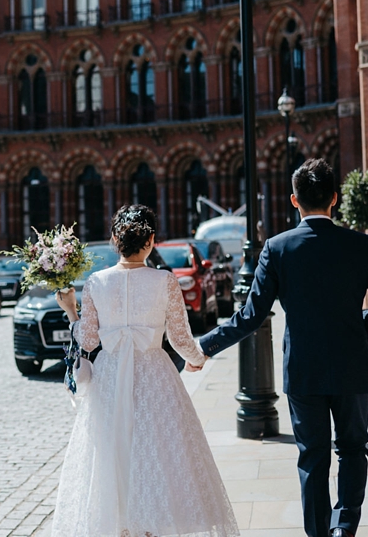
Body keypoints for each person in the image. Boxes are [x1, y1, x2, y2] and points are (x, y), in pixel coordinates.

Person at [197, 158, 368, 537]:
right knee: (353, 449)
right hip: (351, 366)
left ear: (295, 200)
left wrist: (206, 346)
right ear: (335, 199)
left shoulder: (277, 248)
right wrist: (357, 327)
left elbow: (250, 316)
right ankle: (344, 527)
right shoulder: (360, 245)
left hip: (304, 369)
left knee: (312, 457)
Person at [51, 205, 238, 537]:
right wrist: (197, 358)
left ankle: (121, 527)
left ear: (113, 240)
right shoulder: (165, 281)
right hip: (154, 375)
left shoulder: (96, 282)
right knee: (157, 457)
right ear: (152, 241)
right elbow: (179, 336)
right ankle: (149, 528)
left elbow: (89, 339)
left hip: (108, 378)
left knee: (112, 453)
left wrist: (70, 312)